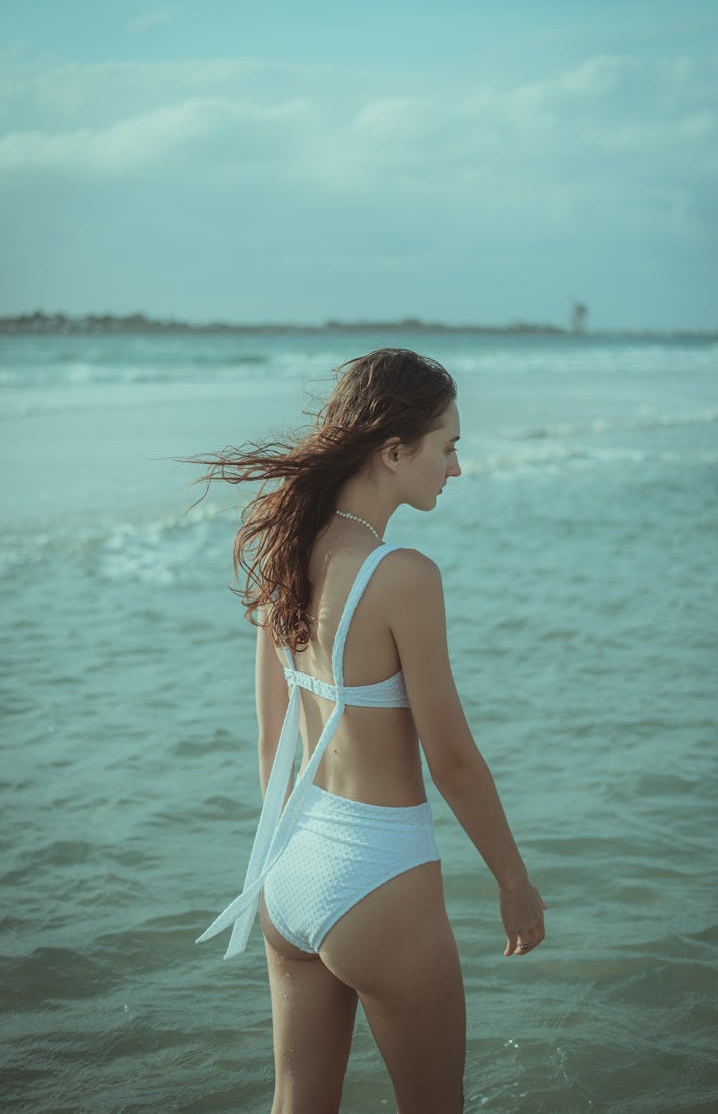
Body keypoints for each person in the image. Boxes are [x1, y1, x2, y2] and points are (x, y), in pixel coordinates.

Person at [192, 347, 547, 1114]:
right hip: (379, 874)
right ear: (394, 451)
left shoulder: (281, 541)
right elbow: (450, 757)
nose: (456, 468)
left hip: (288, 867)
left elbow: (270, 735)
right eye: (447, 446)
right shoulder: (404, 577)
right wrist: (513, 880)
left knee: (297, 1101)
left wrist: (287, 860)